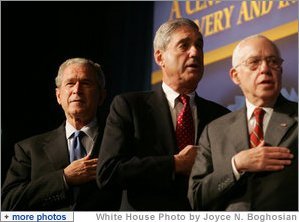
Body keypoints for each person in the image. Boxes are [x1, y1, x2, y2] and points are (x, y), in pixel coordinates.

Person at [96, 18, 230, 211]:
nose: (195, 52)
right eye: (184, 45)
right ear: (160, 58)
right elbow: (108, 172)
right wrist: (175, 164)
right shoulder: (129, 106)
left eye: (199, 45)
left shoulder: (221, 116)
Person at [188, 35, 298, 211]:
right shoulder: (214, 131)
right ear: (235, 75)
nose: (265, 69)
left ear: (281, 70)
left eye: (273, 62)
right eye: (254, 62)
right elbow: (196, 197)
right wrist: (236, 166)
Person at [2, 58, 121, 210]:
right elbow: (7, 204)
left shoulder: (120, 143)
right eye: (70, 83)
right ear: (58, 96)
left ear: (101, 96)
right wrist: (64, 178)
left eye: (86, 83)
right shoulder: (28, 149)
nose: (77, 90)